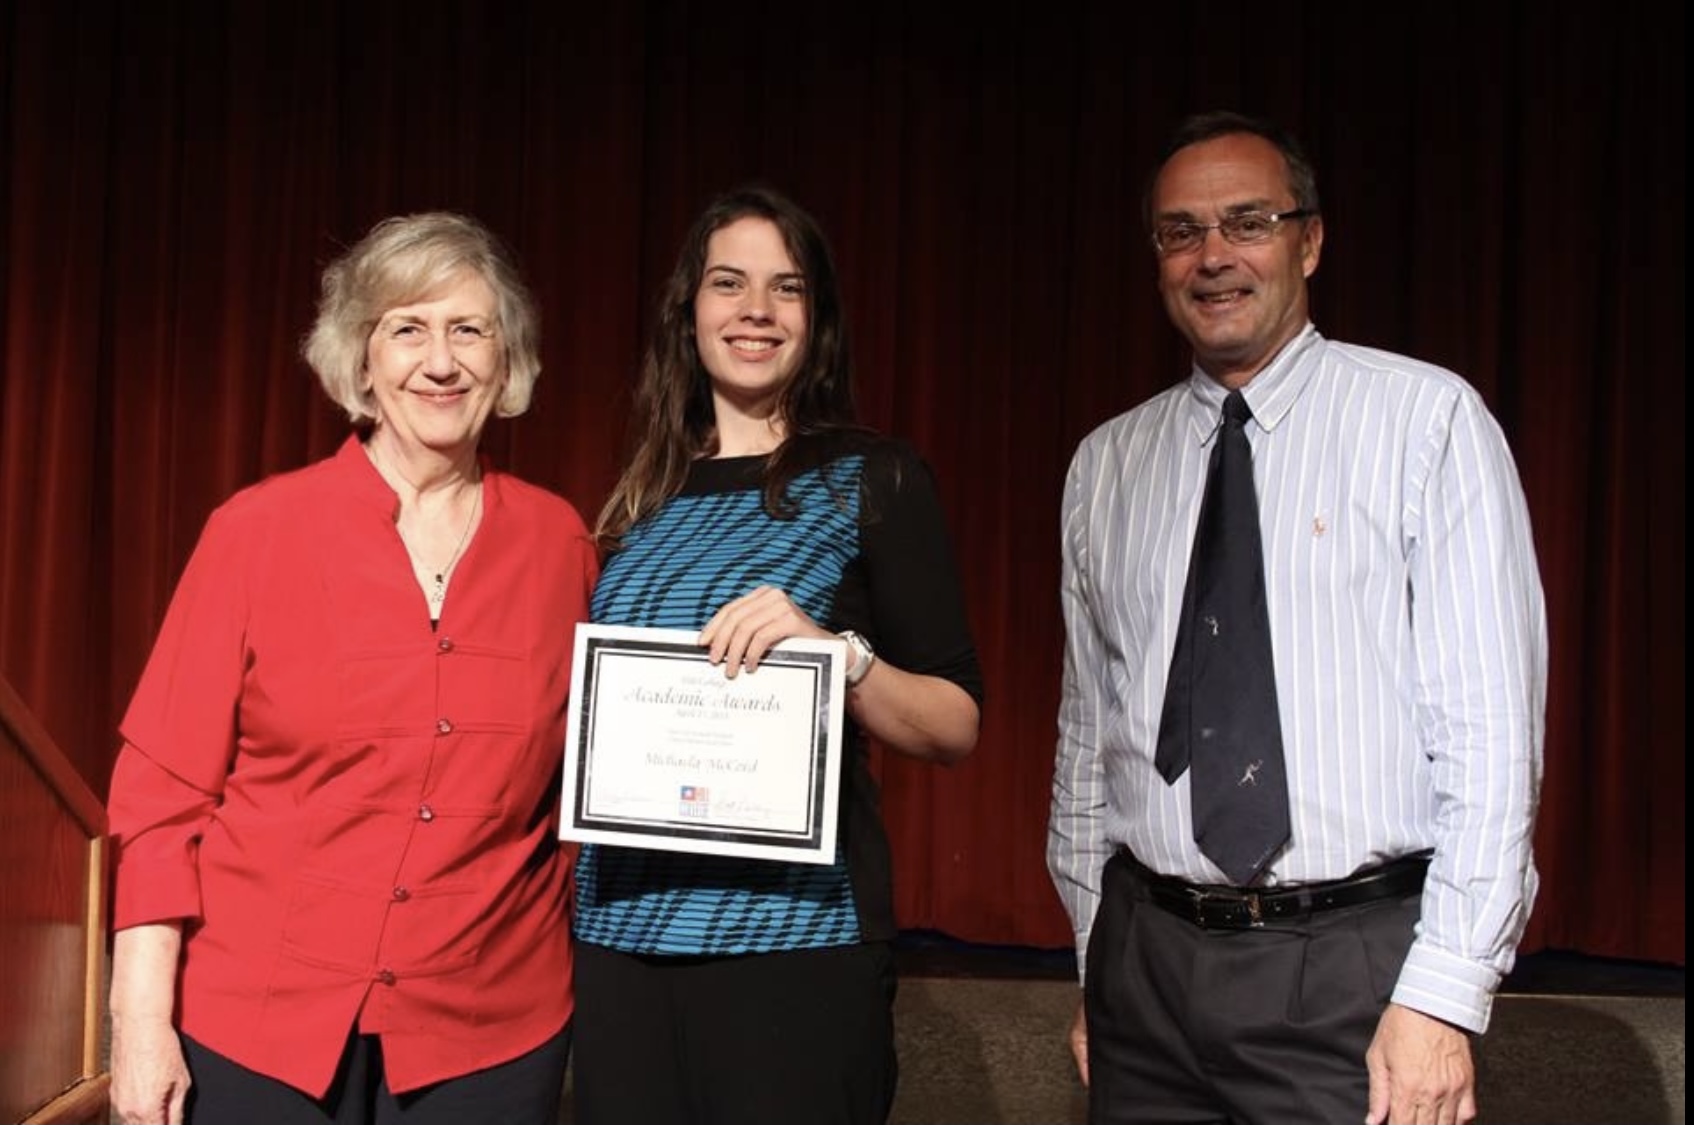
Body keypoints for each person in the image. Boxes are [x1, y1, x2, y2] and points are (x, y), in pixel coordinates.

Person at [1047, 110, 1546, 1125]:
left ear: (1308, 241)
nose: (1211, 256)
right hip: (1145, 966)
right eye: (1180, 232)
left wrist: (1441, 997)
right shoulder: (1104, 466)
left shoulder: (1425, 421)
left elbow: (1490, 741)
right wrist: (1096, 953)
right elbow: (1086, 742)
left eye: (1246, 222)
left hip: (1349, 973)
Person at [105, 211, 598, 1125]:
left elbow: (581, 790)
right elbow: (161, 795)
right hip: (256, 1025)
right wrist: (139, 1021)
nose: (440, 361)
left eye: (469, 330)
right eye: (407, 328)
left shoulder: (558, 542)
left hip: (489, 1030)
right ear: (361, 361)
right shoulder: (256, 531)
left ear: (508, 358)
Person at [569, 184, 984, 1125]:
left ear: (817, 320)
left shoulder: (872, 479)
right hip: (620, 943)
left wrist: (843, 657)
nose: (755, 309)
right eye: (729, 283)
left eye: (785, 288)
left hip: (794, 947)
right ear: (690, 313)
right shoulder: (638, 500)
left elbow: (956, 723)